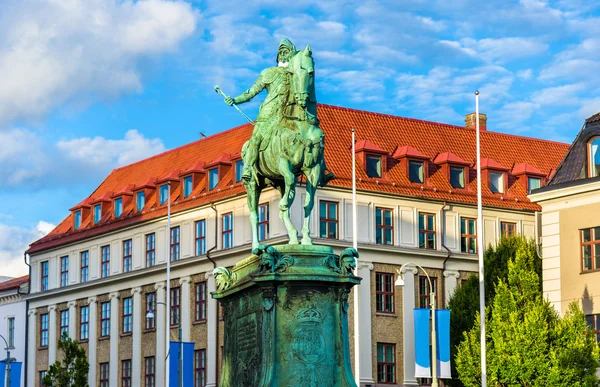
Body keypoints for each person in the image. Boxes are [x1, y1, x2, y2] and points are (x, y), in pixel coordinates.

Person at [225, 38, 296, 182]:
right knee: (256, 139)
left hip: (289, 114)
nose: (283, 54)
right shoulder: (268, 73)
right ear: (278, 56)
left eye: (286, 51)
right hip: (269, 114)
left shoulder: (296, 75)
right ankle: (248, 167)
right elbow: (251, 92)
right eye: (281, 52)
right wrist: (235, 100)